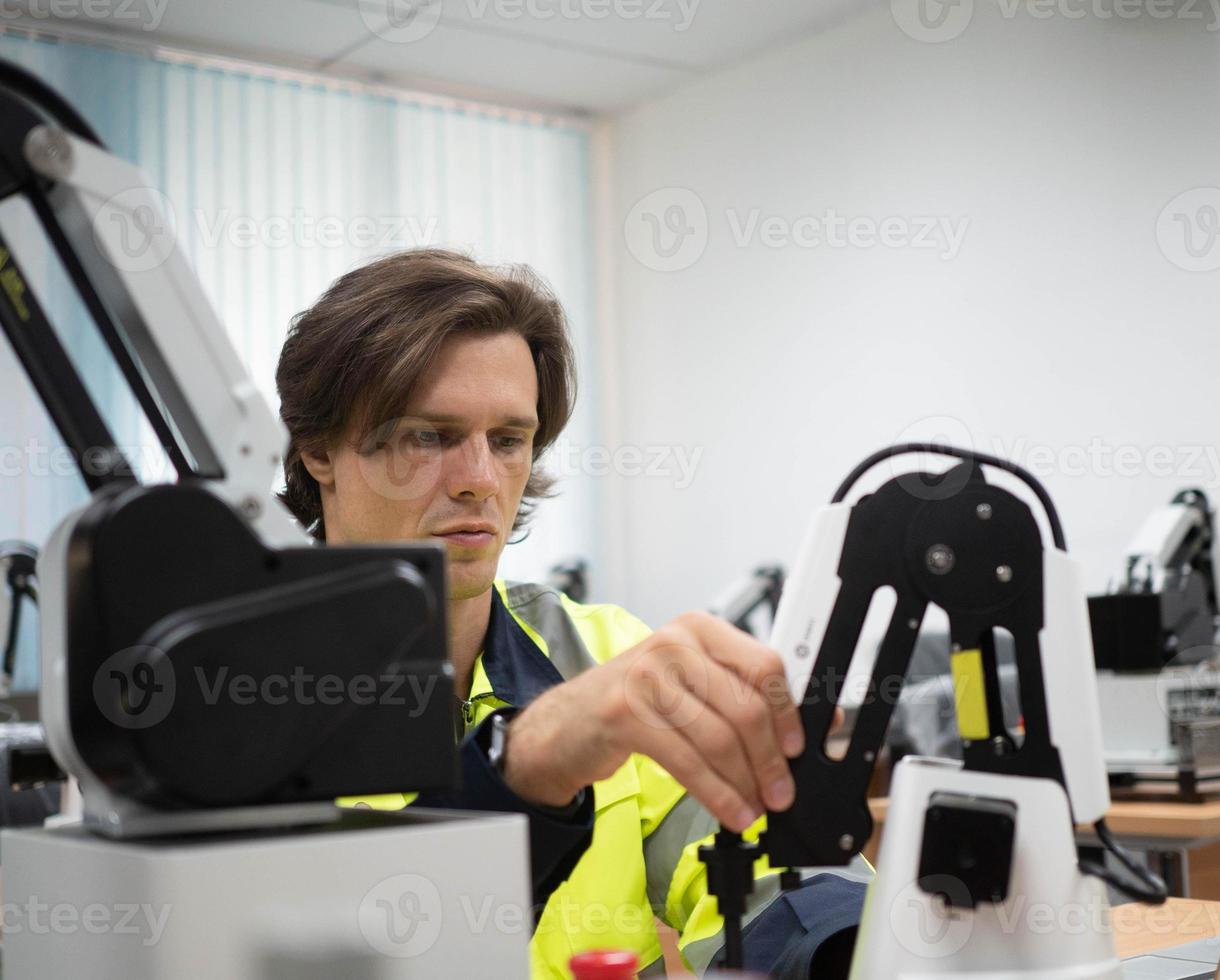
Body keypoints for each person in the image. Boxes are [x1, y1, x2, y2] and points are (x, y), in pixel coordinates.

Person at [274, 248, 868, 978]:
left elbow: (780, 882)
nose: (480, 481)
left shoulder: (609, 656)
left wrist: (841, 946)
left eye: (508, 440)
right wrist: (524, 766)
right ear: (316, 450)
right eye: (426, 436)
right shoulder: (239, 704)